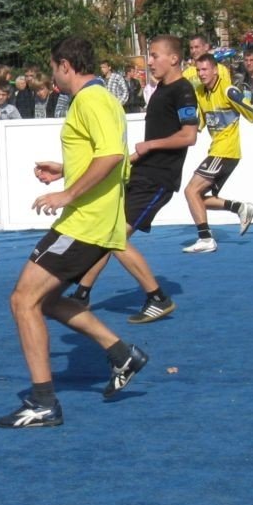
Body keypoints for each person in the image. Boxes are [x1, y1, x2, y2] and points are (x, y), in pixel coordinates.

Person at [0, 36, 148, 429]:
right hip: (92, 220)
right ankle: (121, 354)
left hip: (85, 222)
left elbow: (112, 157)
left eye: (52, 66)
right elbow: (104, 154)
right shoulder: (101, 99)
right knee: (44, 301)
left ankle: (44, 403)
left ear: (65, 65)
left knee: (22, 300)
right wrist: (66, 169)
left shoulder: (91, 99)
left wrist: (68, 192)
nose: (51, 74)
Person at [65, 35, 198, 323]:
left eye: (154, 55)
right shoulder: (161, 89)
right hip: (143, 173)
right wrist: (132, 159)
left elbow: (190, 135)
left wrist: (150, 146)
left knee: (115, 238)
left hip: (159, 180)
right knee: (109, 233)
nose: (149, 61)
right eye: (149, 56)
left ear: (174, 58)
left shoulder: (183, 90)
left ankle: (157, 297)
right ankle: (82, 295)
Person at [181, 54, 253, 253]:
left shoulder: (229, 91)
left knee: (190, 191)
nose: (201, 74)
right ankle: (240, 208)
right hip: (217, 150)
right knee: (197, 197)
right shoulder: (200, 93)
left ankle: (206, 238)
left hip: (226, 151)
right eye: (199, 70)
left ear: (215, 70)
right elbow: (200, 124)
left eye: (205, 69)